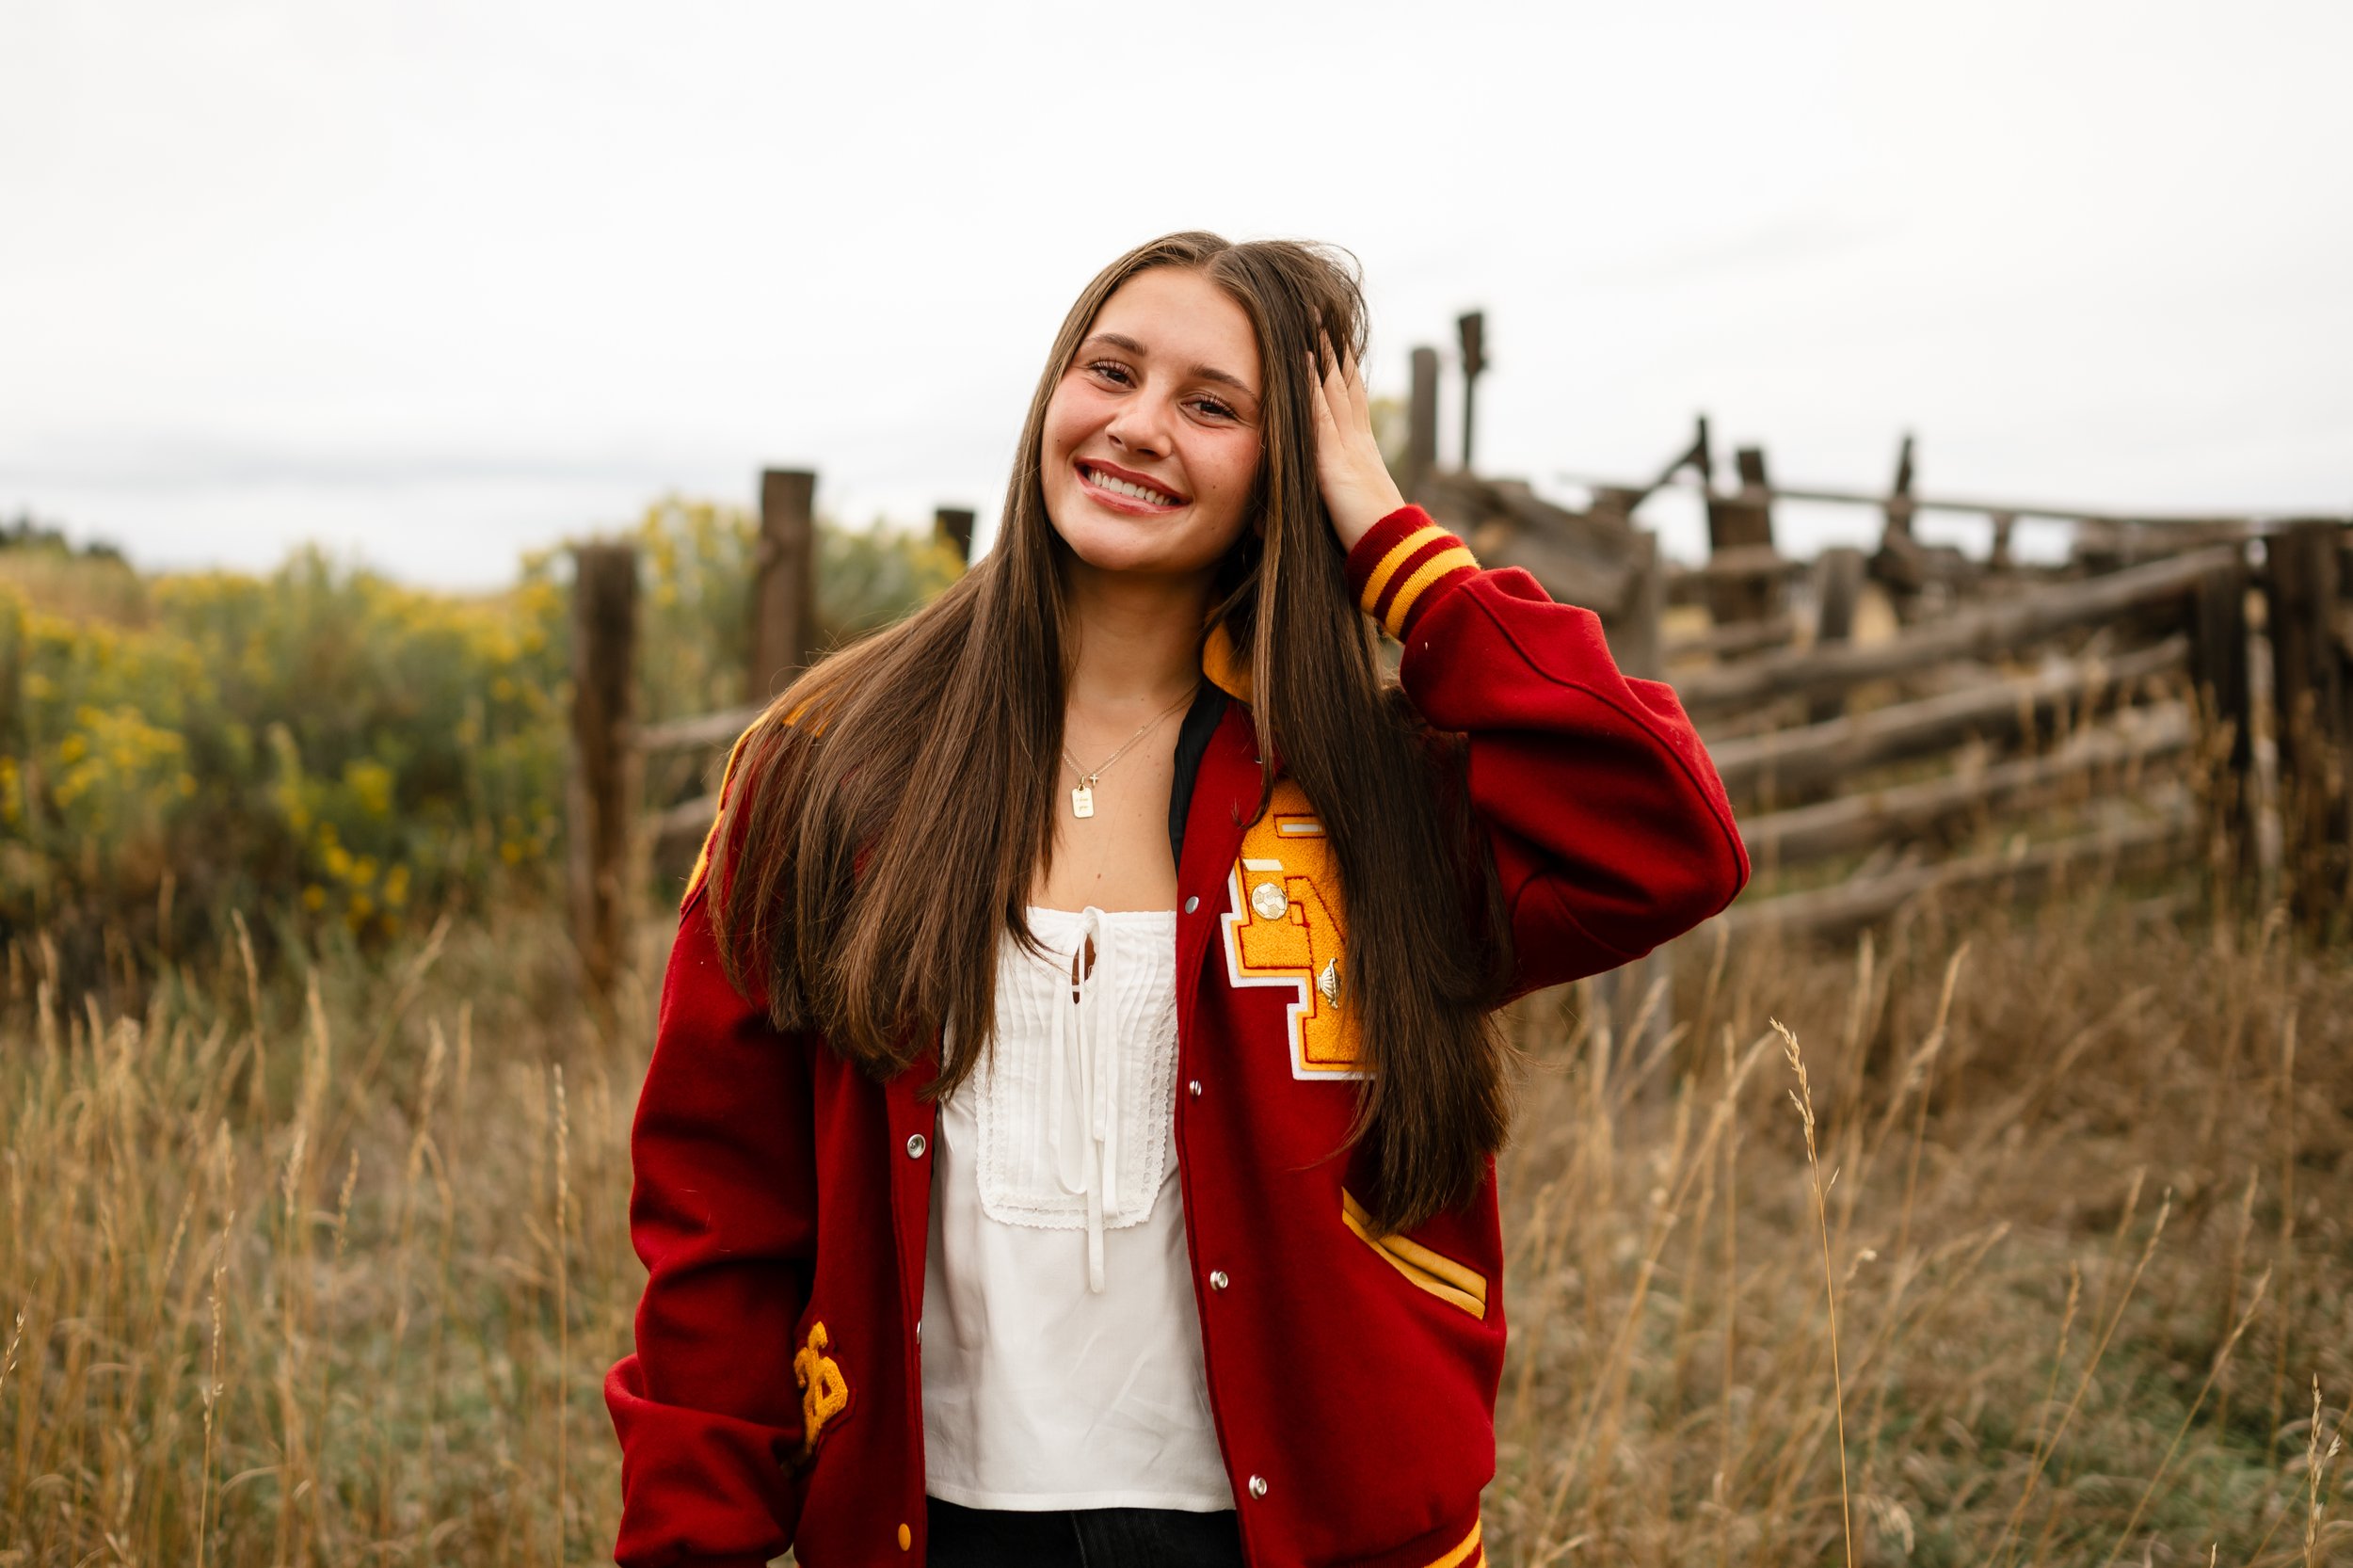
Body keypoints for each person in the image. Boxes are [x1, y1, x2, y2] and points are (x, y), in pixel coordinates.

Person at [603, 231, 1750, 1568]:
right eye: (1111, 372)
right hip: (933, 1532)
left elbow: (1673, 835)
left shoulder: (1371, 793)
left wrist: (1385, 531)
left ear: (1290, 467)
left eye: (1214, 405)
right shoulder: (827, 770)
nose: (1140, 426)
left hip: (1313, 1538)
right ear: (1051, 397)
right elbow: (720, 1213)